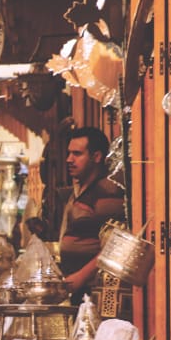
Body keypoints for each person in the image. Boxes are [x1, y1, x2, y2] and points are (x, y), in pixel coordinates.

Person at [58, 126, 125, 303]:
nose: (69, 159)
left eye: (77, 154)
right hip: (78, 289)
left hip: (95, 291)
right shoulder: (81, 190)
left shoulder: (107, 192)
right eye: (69, 153)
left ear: (96, 157)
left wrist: (80, 277)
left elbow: (116, 246)